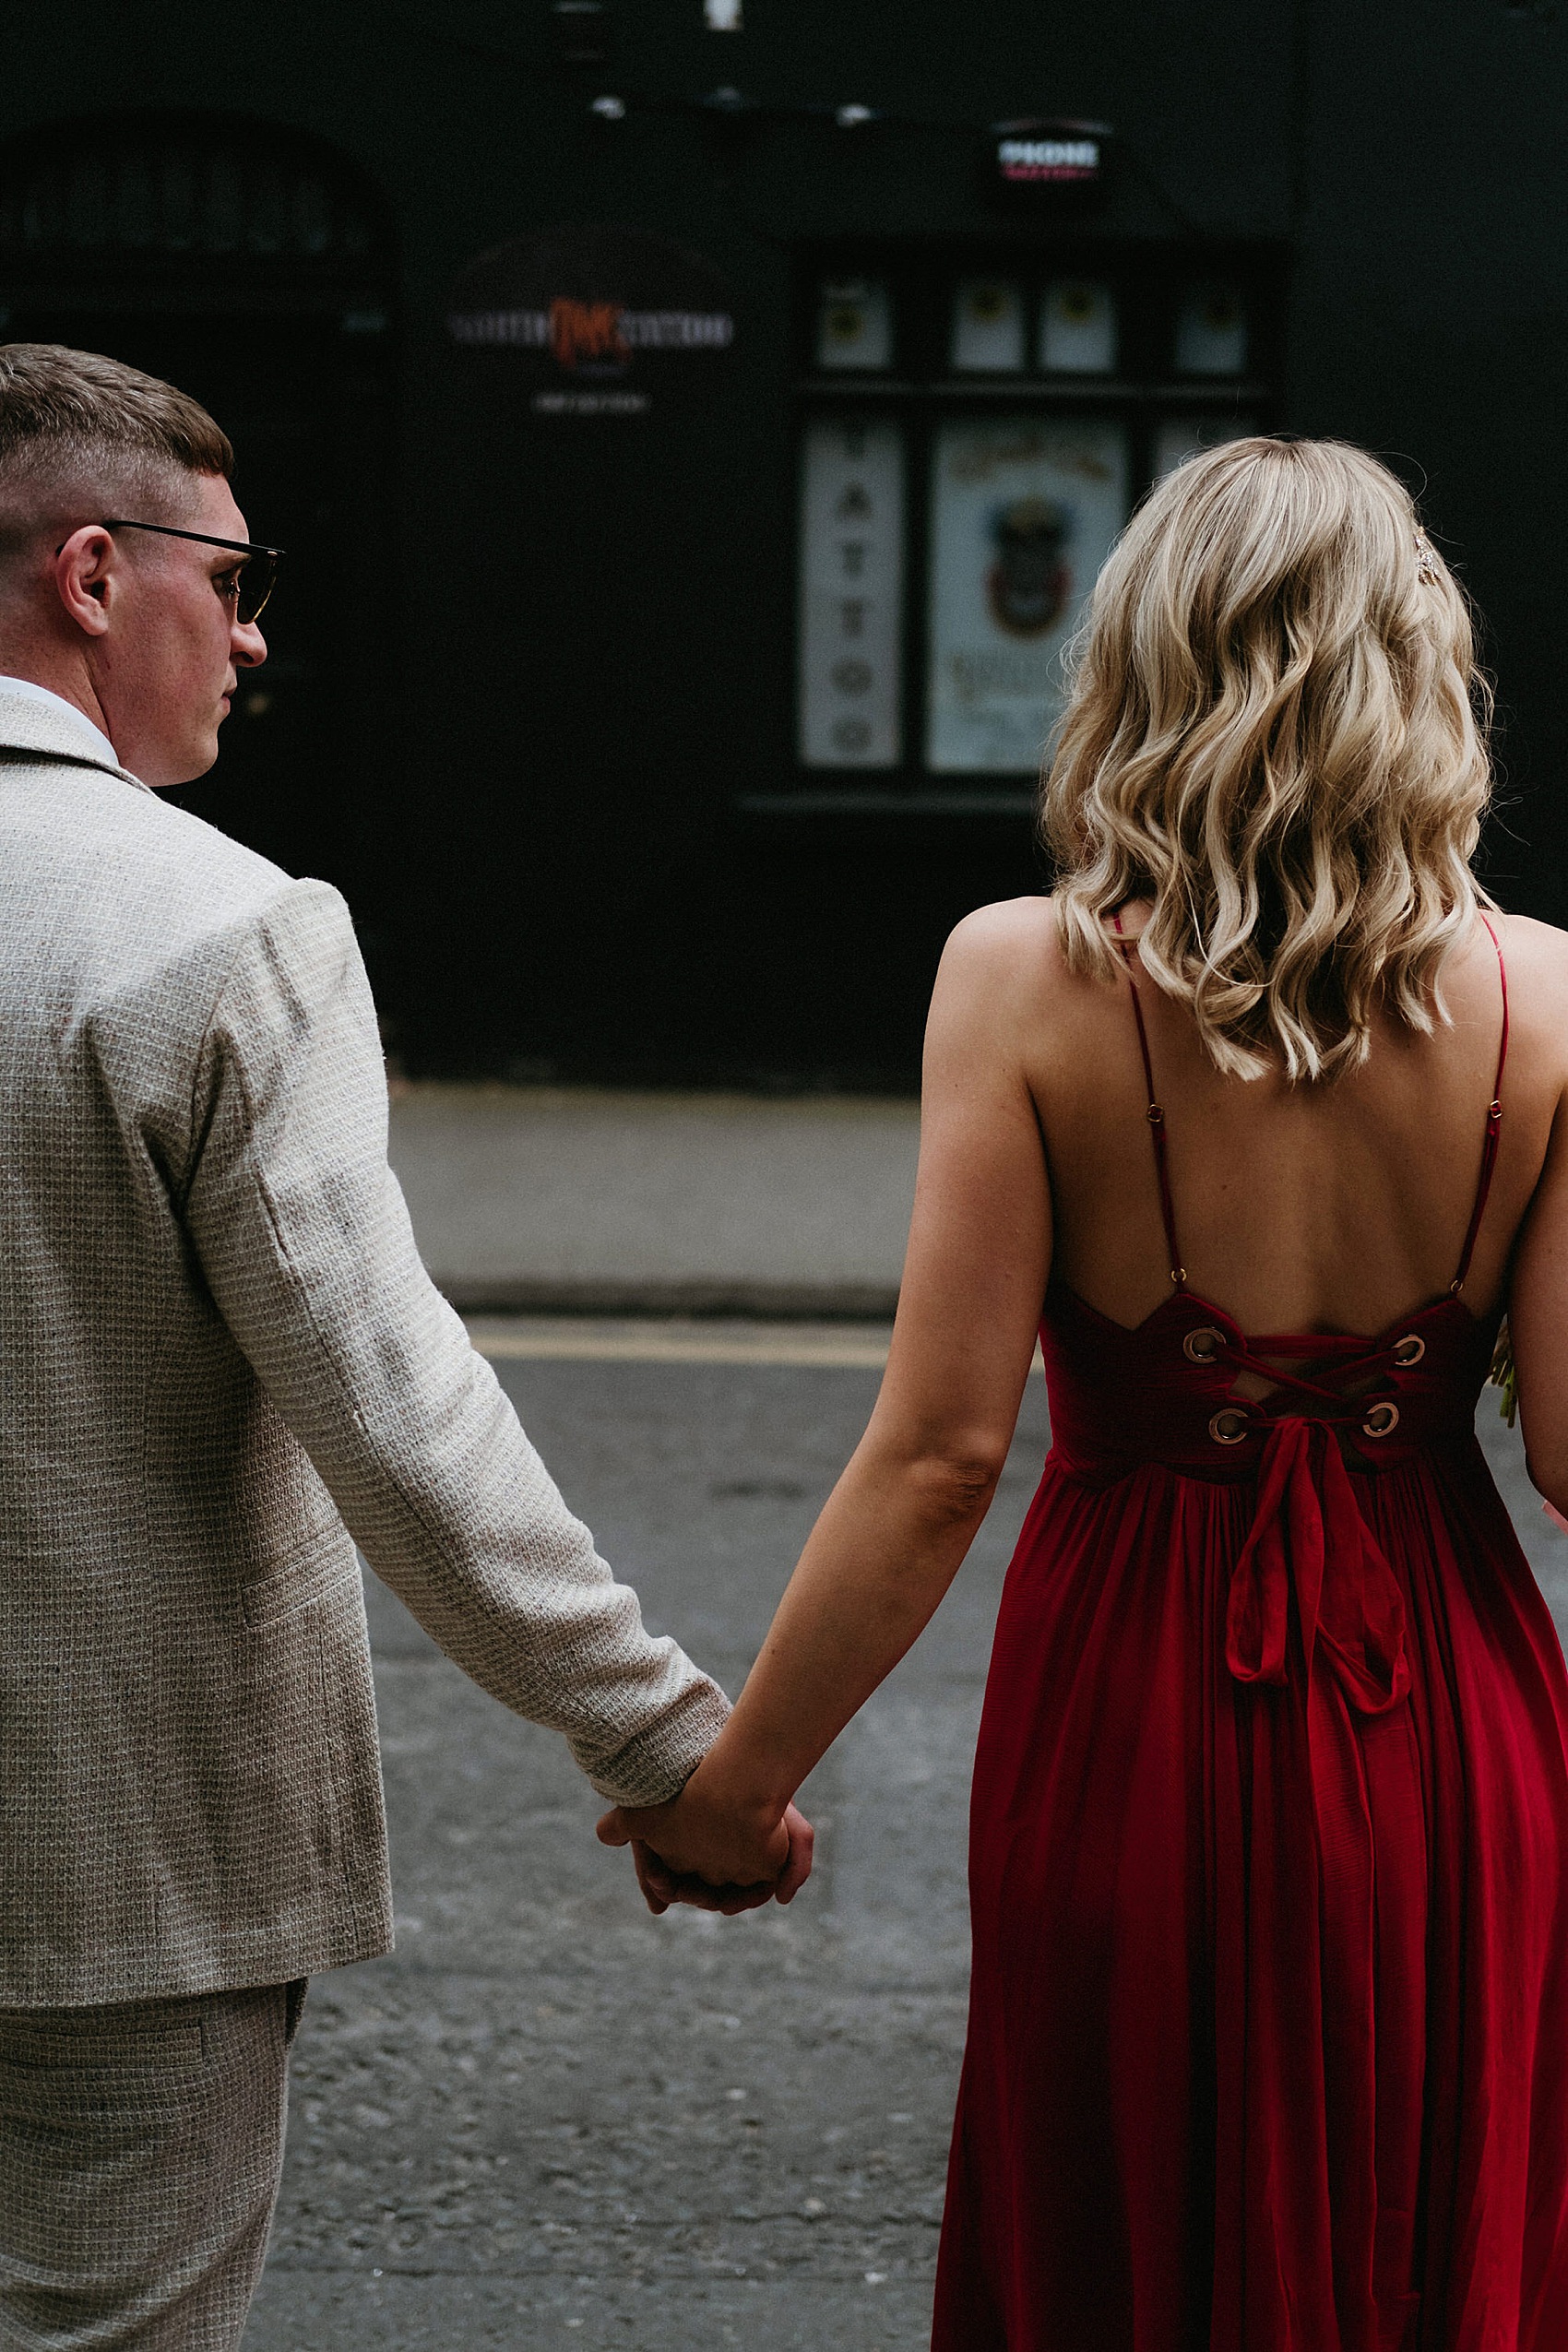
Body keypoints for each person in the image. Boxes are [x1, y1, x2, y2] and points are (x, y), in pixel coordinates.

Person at [600, 437, 1568, 2346]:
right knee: (1424, 2220)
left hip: (1135, 1713)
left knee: (1119, 2230)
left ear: (1140, 665)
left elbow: (942, 1456)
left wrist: (736, 1793)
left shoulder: (1022, 980)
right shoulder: (1545, 998)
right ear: (1415, 666)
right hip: (1453, 1732)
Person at [0, 341, 808, 2351]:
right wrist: (672, 1752)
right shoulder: (208, 933)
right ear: (95, 578)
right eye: (234, 576)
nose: (255, 638)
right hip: (109, 1855)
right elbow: (394, 1410)